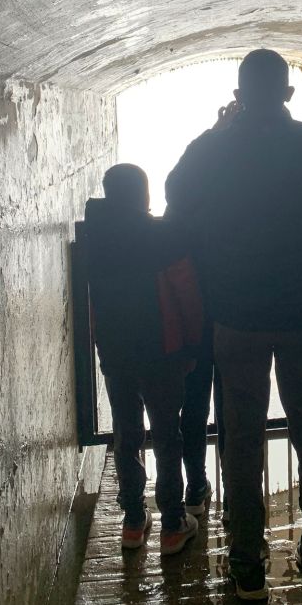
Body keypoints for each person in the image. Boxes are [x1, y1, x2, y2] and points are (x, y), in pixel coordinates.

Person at [165, 49, 302, 601]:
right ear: (289, 94)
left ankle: (248, 566)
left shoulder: (213, 145)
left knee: (241, 438)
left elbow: (177, 199)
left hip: (238, 316)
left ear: (241, 94)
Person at [83, 163, 202, 554]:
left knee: (126, 434)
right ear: (143, 194)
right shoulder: (161, 236)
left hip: (116, 353)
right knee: (168, 436)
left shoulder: (94, 236)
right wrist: (192, 345)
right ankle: (172, 524)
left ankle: (133, 522)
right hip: (162, 352)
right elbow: (185, 294)